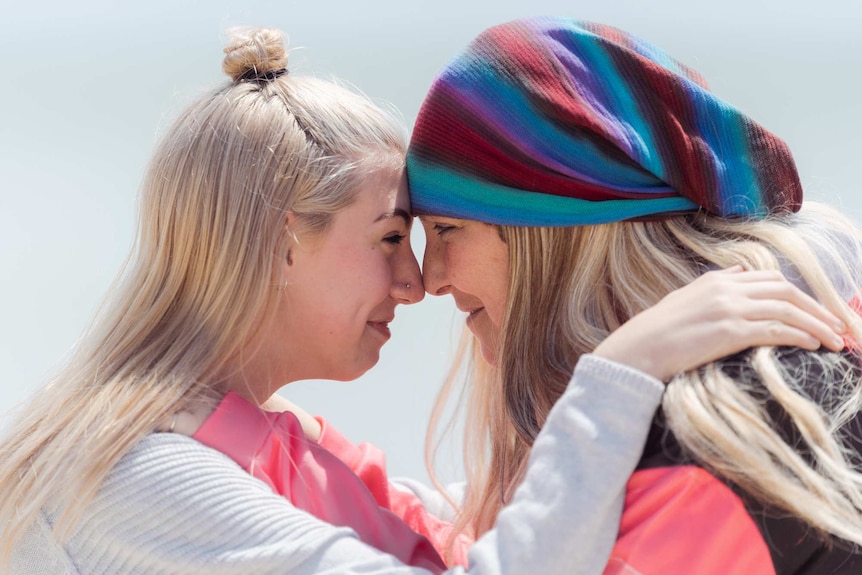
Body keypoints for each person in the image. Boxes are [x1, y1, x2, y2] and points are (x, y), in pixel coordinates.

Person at [0, 25, 845, 575]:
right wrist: (616, 371)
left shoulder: (251, 448)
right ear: (280, 239)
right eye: (391, 236)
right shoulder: (139, 477)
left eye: (439, 233)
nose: (418, 282)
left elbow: (467, 529)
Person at [406, 17, 862, 575]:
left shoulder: (716, 441)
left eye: (449, 229)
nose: (431, 279)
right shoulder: (822, 341)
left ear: (554, 233)